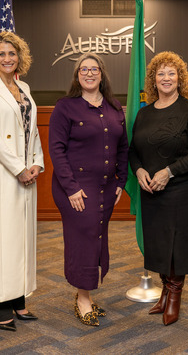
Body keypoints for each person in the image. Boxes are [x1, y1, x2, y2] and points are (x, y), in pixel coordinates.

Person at [129, 51, 188, 326]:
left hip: (179, 191)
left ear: (180, 78)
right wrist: (139, 170)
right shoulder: (145, 113)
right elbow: (132, 151)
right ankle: (164, 292)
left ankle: (175, 296)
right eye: (160, 73)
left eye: (171, 73)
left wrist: (169, 171)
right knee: (160, 244)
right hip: (151, 192)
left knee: (177, 244)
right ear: (153, 80)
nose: (166, 78)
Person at [49, 53, 129, 327]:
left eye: (94, 69)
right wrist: (71, 188)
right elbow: (56, 151)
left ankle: (87, 293)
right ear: (77, 75)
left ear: (102, 74)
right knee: (83, 238)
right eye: (84, 69)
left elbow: (123, 148)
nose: (89, 73)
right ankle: (83, 298)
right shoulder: (65, 107)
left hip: (106, 188)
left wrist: (121, 182)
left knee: (97, 237)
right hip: (75, 189)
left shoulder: (115, 107)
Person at [0, 31, 45, 332]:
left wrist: (37, 162)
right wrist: (18, 168)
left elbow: (33, 130)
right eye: (1, 54)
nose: (7, 58)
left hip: (25, 172)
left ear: (20, 58)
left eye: (11, 54)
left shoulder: (23, 87)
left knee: (20, 236)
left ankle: (16, 296)